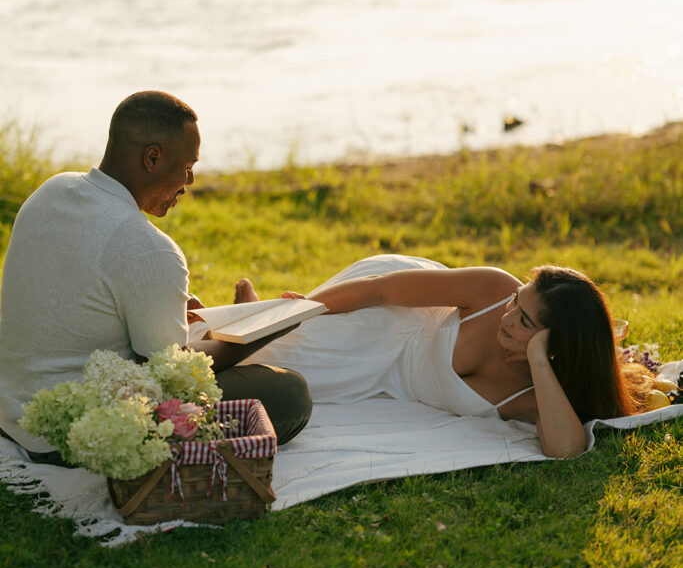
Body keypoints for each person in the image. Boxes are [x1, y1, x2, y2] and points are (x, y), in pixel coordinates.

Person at [0, 90, 312, 462]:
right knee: (288, 391)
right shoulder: (149, 248)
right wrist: (263, 329)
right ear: (152, 157)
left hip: (12, 409)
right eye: (188, 166)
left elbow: (78, 298)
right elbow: (172, 377)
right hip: (72, 435)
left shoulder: (51, 191)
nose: (191, 180)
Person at [234, 254, 648, 459]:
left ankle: (260, 311)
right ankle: (263, 311)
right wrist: (304, 308)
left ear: (555, 347)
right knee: (273, 347)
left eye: (524, 321)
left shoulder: (536, 394)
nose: (508, 316)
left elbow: (569, 450)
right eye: (516, 300)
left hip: (389, 379)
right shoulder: (493, 290)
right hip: (390, 320)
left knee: (289, 371)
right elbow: (382, 289)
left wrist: (539, 361)